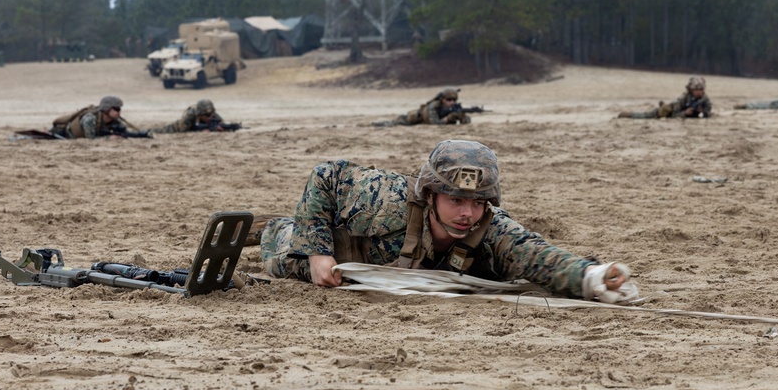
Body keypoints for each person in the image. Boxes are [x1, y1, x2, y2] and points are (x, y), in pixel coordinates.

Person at [251, 139, 631, 301]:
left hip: (397, 274)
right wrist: (317, 253)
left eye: (478, 202)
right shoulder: (388, 196)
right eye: (456, 200)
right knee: (281, 251)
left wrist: (593, 277)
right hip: (339, 251)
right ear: (430, 195)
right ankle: (272, 225)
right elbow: (326, 176)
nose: (468, 213)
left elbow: (536, 255)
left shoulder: (492, 229)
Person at [617, 76, 712, 119]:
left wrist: (702, 112)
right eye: (697, 89)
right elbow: (674, 115)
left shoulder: (705, 100)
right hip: (668, 111)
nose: (699, 92)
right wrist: (685, 113)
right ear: (691, 90)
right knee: (649, 115)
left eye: (701, 89)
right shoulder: (684, 98)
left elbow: (708, 113)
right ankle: (629, 115)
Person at [50, 96, 145, 138]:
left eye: (119, 109)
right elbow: (90, 139)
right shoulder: (90, 119)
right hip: (65, 134)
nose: (119, 111)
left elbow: (125, 132)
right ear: (107, 109)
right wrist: (109, 138)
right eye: (116, 109)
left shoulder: (114, 121)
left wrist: (139, 135)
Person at [373, 88, 470, 127]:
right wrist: (448, 118)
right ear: (443, 99)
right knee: (392, 123)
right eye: (449, 100)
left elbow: (466, 121)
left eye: (454, 100)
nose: (452, 102)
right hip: (411, 119)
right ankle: (375, 124)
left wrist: (461, 116)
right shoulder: (433, 106)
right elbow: (433, 123)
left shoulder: (455, 108)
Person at [155, 98, 234, 133]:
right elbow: (183, 131)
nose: (210, 117)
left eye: (211, 114)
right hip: (175, 128)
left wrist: (222, 129)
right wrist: (201, 131)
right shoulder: (190, 115)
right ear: (199, 114)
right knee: (158, 131)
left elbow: (223, 124)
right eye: (206, 115)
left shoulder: (214, 116)